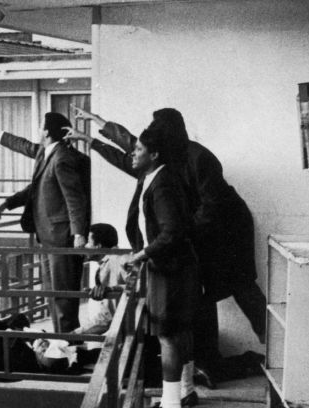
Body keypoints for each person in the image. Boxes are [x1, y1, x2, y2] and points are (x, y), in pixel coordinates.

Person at [70, 106, 268, 383]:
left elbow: (211, 208)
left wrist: (176, 233)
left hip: (228, 232)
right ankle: (205, 362)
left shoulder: (200, 158)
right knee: (201, 296)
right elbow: (134, 149)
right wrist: (97, 130)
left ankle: (275, 349)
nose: (142, 148)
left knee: (243, 288)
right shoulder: (165, 152)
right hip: (195, 232)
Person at [123, 123, 202, 408]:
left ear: (154, 154)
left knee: (167, 336)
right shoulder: (157, 176)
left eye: (139, 149)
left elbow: (172, 232)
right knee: (177, 333)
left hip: (170, 270)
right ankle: (182, 394)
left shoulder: (163, 183)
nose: (133, 153)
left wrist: (141, 255)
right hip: (174, 268)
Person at [0, 112, 91, 332]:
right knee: (52, 293)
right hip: (47, 235)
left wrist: (79, 233)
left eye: (41, 126)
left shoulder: (62, 158)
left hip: (61, 237)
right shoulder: (47, 153)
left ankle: (69, 345)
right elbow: (26, 150)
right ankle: (61, 342)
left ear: (46, 132)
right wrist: (8, 203)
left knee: (62, 295)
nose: (38, 130)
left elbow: (75, 199)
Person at [72, 223, 130, 364]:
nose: (84, 246)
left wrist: (112, 289)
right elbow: (105, 318)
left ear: (98, 245)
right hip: (121, 327)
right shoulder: (107, 263)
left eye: (88, 242)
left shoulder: (121, 258)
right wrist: (76, 334)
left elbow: (139, 284)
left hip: (133, 330)